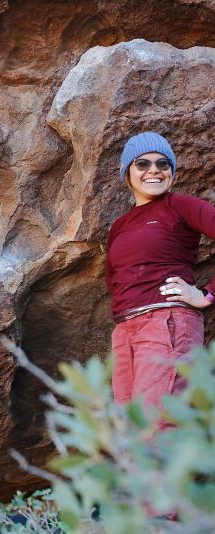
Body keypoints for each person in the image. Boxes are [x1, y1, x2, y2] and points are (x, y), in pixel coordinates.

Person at [105, 131, 215, 427]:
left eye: (163, 164)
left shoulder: (181, 205)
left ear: (172, 172)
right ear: (127, 173)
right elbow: (113, 278)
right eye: (142, 163)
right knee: (129, 438)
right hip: (125, 331)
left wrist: (206, 294)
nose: (154, 169)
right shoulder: (120, 225)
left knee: (157, 429)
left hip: (166, 323)